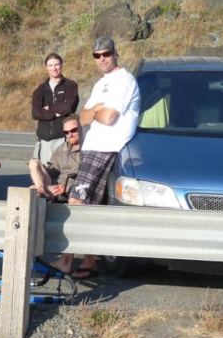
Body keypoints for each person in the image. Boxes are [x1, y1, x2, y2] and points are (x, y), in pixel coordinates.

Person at [52, 37, 141, 279]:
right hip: (93, 147)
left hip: (105, 147)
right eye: (97, 55)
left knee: (77, 201)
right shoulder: (103, 82)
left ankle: (66, 259)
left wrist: (97, 111)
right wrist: (95, 110)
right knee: (91, 205)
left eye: (106, 54)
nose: (102, 58)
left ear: (115, 53)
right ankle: (89, 262)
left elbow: (109, 117)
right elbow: (83, 116)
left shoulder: (123, 80)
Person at [31, 52, 79, 164]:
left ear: (61, 65)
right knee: (45, 173)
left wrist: (49, 108)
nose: (54, 68)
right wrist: (55, 113)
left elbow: (69, 107)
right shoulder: (40, 90)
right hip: (45, 140)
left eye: (56, 64)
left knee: (64, 173)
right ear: (46, 67)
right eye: (51, 65)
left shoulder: (70, 86)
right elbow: (35, 113)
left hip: (63, 138)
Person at [28, 115, 82, 201]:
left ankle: (43, 193)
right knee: (33, 163)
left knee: (35, 192)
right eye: (66, 132)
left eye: (73, 130)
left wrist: (66, 187)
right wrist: (42, 171)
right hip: (55, 186)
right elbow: (52, 171)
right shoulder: (61, 149)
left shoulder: (88, 150)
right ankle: (43, 190)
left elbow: (86, 177)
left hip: (72, 189)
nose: (70, 134)